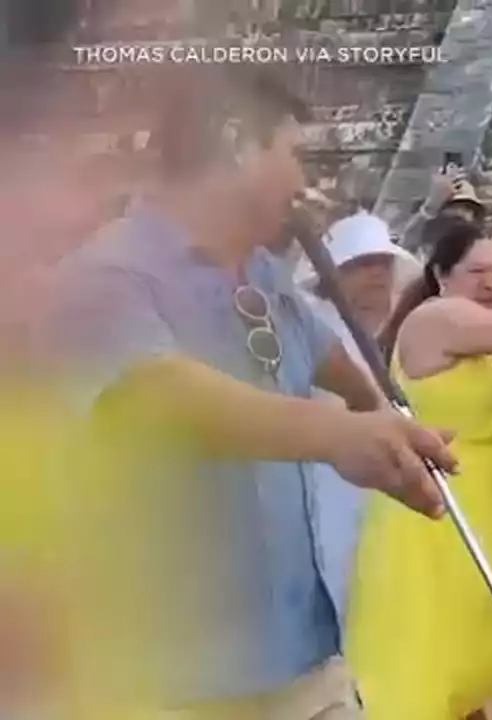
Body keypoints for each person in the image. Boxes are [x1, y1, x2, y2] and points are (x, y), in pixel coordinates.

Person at [46, 66, 454, 718]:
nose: (304, 183)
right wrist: (342, 437)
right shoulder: (104, 276)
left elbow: (325, 355)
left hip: (303, 667)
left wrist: (386, 415)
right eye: (293, 155)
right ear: (236, 142)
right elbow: (161, 395)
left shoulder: (265, 272)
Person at [346, 218, 492, 720]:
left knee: (479, 628)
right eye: (478, 272)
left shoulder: (490, 331)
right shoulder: (438, 319)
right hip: (441, 502)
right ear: (440, 274)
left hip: (491, 493)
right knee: (445, 637)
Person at [295, 209, 421, 622]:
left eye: (383, 264)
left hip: (380, 487)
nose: (377, 275)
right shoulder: (312, 327)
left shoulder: (388, 331)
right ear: (336, 275)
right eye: (364, 265)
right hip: (328, 484)